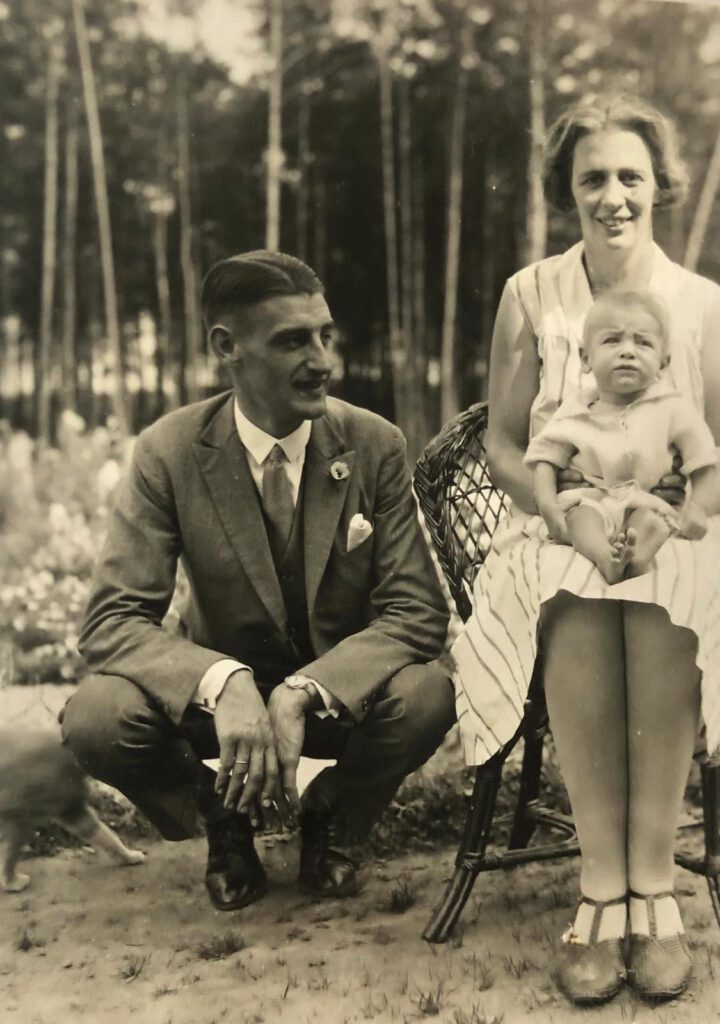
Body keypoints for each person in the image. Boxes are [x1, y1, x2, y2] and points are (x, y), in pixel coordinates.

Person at [61, 250, 455, 913]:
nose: (323, 360)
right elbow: (111, 622)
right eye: (293, 341)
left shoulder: (374, 443)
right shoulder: (170, 451)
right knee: (97, 717)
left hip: (334, 704)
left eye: (325, 335)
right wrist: (222, 682)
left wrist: (308, 690)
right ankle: (222, 819)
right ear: (227, 347)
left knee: (427, 694)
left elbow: (415, 609)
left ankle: (335, 816)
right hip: (219, 713)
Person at [451, 94, 720, 1005]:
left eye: (630, 177)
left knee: (668, 584)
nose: (613, 196)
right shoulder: (531, 293)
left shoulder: (702, 304)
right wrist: (565, 514)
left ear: (661, 187)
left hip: (671, 524)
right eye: (592, 178)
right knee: (569, 584)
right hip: (556, 518)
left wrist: (666, 519)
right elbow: (499, 440)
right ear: (567, 190)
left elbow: (715, 448)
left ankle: (657, 890)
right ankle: (599, 888)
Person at [526, 288, 717, 583]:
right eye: (612, 340)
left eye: (643, 342)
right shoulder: (576, 409)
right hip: (591, 500)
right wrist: (549, 505)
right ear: (586, 358)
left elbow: (705, 465)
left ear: (663, 364)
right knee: (580, 518)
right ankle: (606, 556)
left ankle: (637, 557)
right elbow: (545, 460)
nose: (628, 351)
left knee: (649, 520)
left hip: (646, 501)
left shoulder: (674, 409)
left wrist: (698, 509)